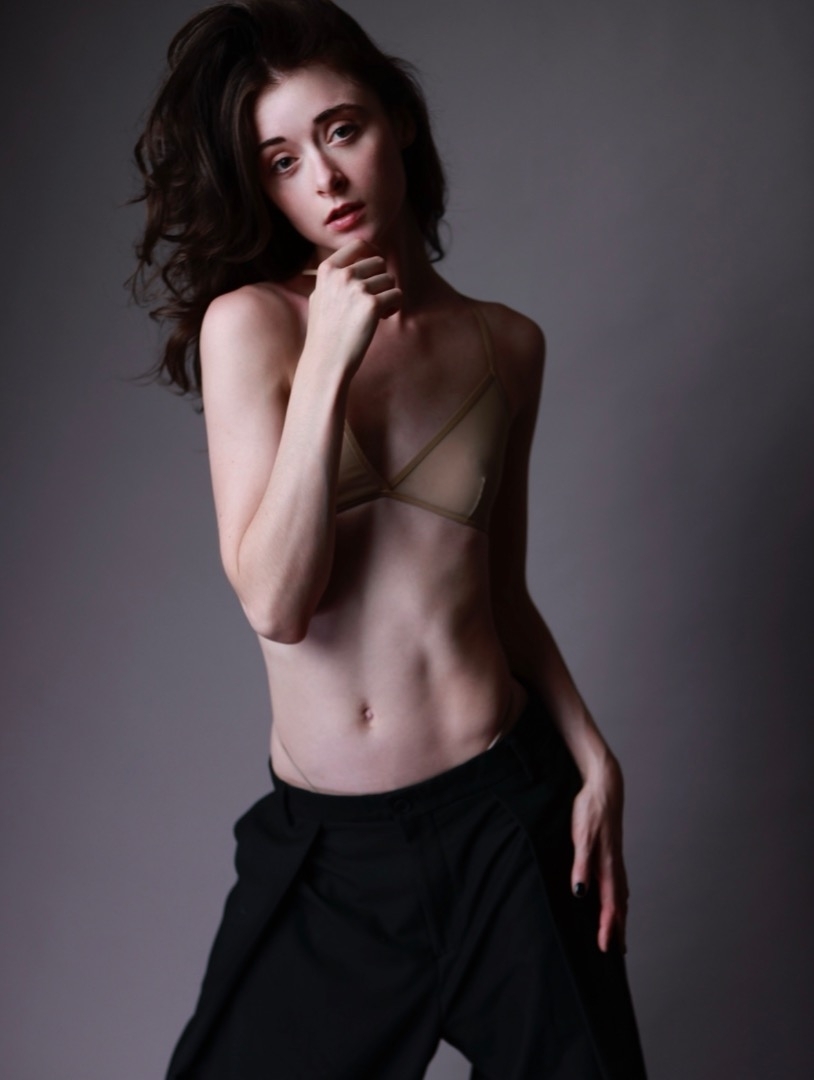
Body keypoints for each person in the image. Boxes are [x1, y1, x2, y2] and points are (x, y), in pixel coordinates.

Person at [130, 1, 648, 1076]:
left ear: (397, 122)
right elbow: (276, 604)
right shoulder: (251, 327)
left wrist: (594, 753)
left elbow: (499, 594)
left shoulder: (508, 345)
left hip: (508, 821)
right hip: (334, 859)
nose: (324, 178)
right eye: (282, 160)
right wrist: (326, 361)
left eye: (342, 130)